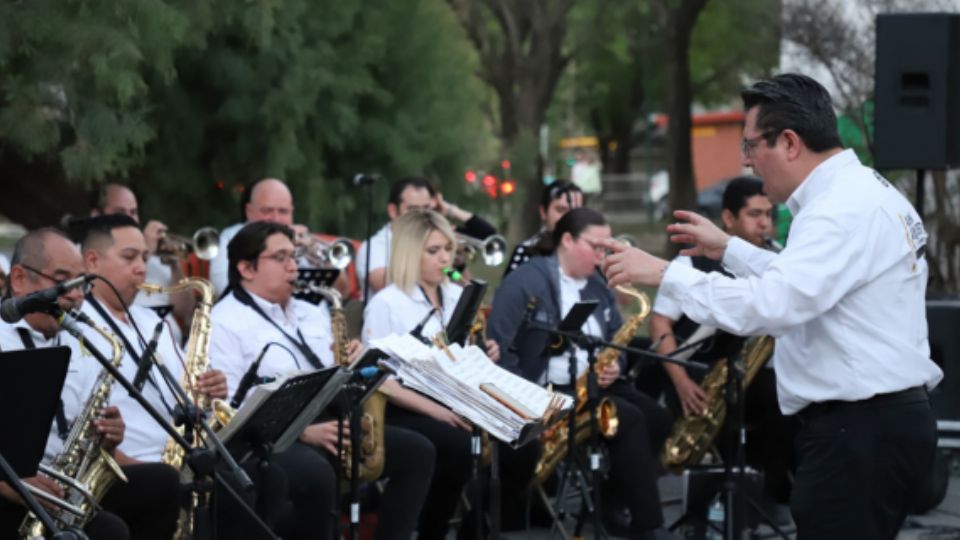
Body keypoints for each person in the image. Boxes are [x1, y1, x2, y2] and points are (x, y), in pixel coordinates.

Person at [602, 73, 944, 539]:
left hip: (858, 433)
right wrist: (728, 248)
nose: (747, 162)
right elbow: (807, 283)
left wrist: (666, 274)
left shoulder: (837, 211)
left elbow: (772, 305)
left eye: (751, 146)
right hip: (874, 426)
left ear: (788, 142)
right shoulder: (860, 191)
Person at [209, 220, 435, 540]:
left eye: (293, 257)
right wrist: (303, 432)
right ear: (246, 268)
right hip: (269, 439)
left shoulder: (309, 311)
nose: (293, 267)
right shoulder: (224, 321)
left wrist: (351, 361)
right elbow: (229, 407)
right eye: (281, 258)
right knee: (316, 474)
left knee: (418, 451)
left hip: (329, 420)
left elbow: (331, 373)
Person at [487, 207, 675, 539]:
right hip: (546, 392)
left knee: (659, 419)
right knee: (627, 418)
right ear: (568, 240)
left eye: (609, 248)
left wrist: (615, 365)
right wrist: (526, 401)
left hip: (592, 386)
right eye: (597, 247)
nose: (604, 256)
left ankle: (611, 501)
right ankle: (650, 527)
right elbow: (499, 346)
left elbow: (615, 337)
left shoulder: (598, 287)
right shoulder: (525, 281)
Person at [362, 210, 534, 539]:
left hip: (453, 398)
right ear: (410, 254)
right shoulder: (387, 303)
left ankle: (475, 528)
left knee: (524, 444)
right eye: (433, 251)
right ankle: (433, 531)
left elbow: (462, 354)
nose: (445, 259)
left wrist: (484, 353)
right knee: (457, 445)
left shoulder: (456, 295)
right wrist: (437, 411)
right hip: (403, 406)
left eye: (447, 250)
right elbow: (379, 377)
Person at [0, 228, 180, 540]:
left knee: (163, 483)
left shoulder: (77, 341)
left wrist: (108, 438)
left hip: (63, 485)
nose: (76, 295)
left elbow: (83, 430)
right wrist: (11, 484)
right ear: (19, 279)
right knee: (109, 531)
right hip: (8, 489)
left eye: (81, 283)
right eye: (61, 280)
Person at [649, 176, 794, 504]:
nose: (765, 224)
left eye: (768, 215)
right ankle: (724, 500)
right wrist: (682, 381)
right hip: (702, 373)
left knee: (786, 401)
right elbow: (659, 323)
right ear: (728, 219)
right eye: (754, 215)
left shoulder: (781, 260)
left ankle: (771, 494)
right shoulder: (692, 260)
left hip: (758, 375)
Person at [356, 176, 496, 297]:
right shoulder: (374, 246)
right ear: (393, 211)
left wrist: (457, 265)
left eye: (427, 208)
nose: (422, 216)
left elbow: (488, 235)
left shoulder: (438, 242)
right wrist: (431, 255)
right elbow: (383, 284)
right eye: (413, 210)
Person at [90, 183, 195, 343]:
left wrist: (175, 265)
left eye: (133, 212)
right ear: (96, 215)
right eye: (120, 212)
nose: (129, 218)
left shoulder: (159, 259)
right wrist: (146, 251)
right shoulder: (90, 255)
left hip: (171, 344)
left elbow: (185, 311)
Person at [503, 179, 583, 277]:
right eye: (561, 210)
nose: (568, 217)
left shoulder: (591, 254)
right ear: (543, 212)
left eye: (575, 211)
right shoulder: (526, 251)